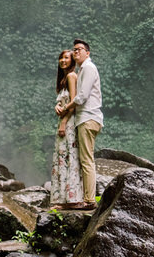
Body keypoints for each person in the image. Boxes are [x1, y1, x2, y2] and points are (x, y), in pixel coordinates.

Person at [56, 38, 101, 210]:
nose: (76, 52)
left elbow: (81, 97)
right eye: (74, 49)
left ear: (87, 53)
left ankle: (89, 201)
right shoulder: (83, 70)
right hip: (87, 118)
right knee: (85, 159)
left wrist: (65, 108)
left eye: (79, 49)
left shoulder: (88, 68)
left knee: (86, 160)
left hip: (88, 117)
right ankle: (86, 198)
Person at [49, 49, 81, 208]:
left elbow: (74, 103)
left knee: (68, 157)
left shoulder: (71, 76)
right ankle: (64, 199)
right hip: (64, 121)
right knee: (64, 157)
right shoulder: (64, 79)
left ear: (72, 60)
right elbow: (66, 101)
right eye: (61, 58)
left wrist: (63, 123)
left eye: (66, 58)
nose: (62, 60)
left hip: (68, 123)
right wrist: (57, 106)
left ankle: (71, 199)